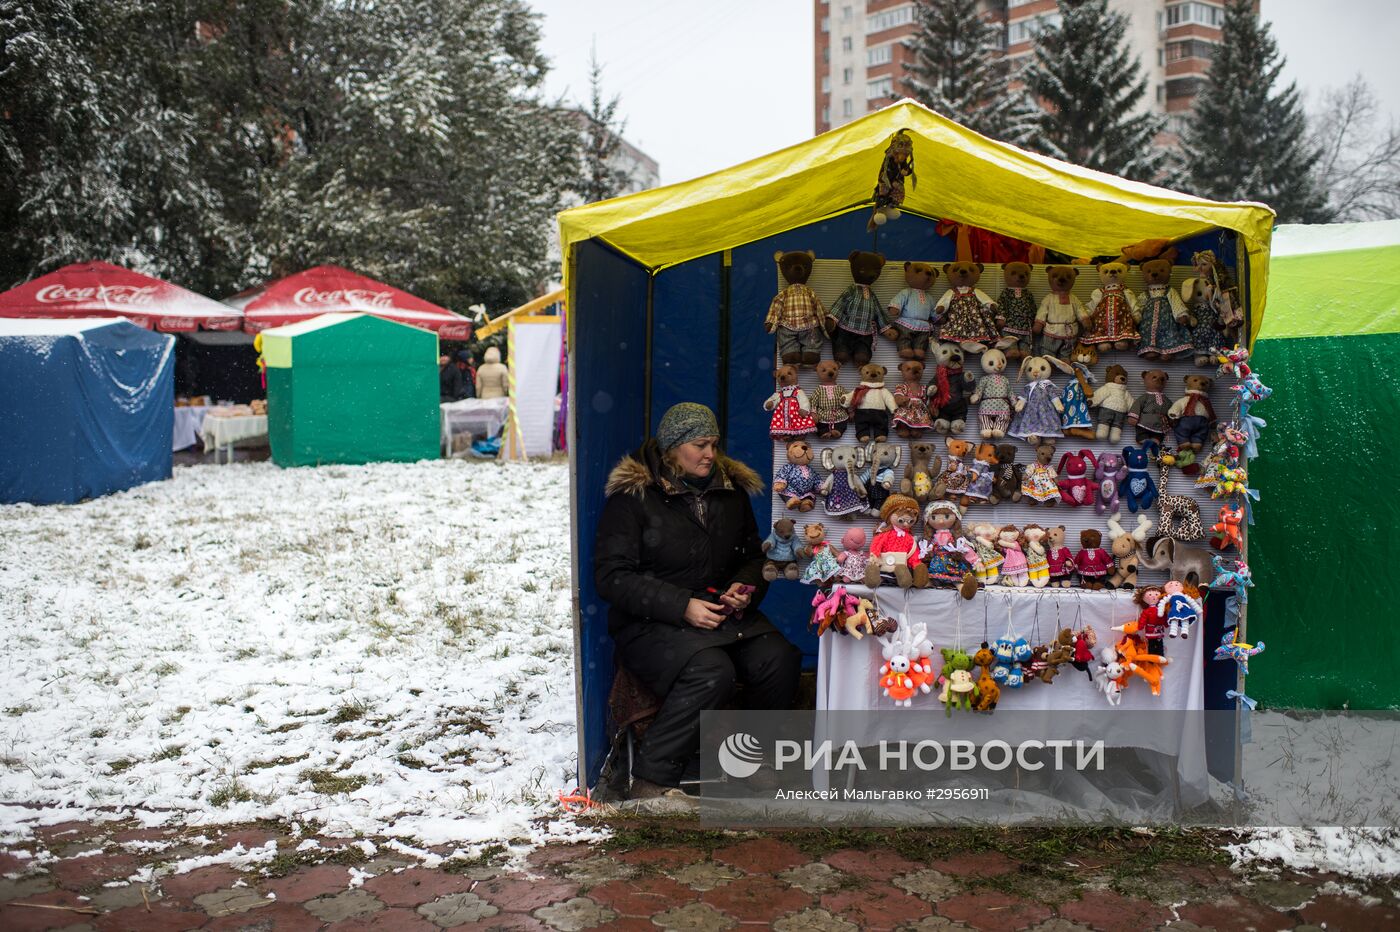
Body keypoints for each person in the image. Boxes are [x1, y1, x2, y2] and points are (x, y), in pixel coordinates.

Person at [593, 403, 803, 798]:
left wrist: (744, 589)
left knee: (779, 658)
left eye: (714, 444)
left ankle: (747, 762)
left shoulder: (730, 492)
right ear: (672, 447)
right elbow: (612, 577)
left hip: (723, 616)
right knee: (712, 670)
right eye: (700, 445)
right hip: (653, 622)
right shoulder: (634, 497)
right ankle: (652, 779)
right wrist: (680, 605)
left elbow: (755, 558)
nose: (710, 454)